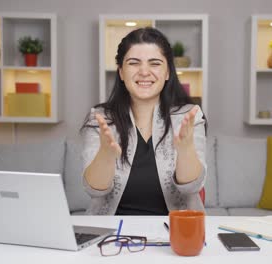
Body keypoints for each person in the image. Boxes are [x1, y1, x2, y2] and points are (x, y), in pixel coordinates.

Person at [80, 27, 207, 215]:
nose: (144, 72)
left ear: (167, 73)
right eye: (134, 63)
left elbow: (191, 188)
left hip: (175, 235)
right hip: (111, 235)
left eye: (155, 63)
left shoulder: (189, 116)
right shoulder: (101, 118)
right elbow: (93, 190)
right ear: (121, 72)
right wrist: (106, 155)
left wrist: (185, 150)